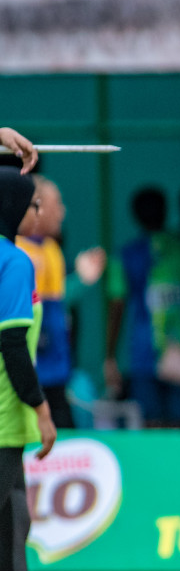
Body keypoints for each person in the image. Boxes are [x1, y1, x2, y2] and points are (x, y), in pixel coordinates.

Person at [0, 166, 92, 571]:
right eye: (32, 204)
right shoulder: (14, 261)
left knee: (14, 527)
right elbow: (14, 343)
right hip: (5, 418)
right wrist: (43, 408)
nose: (40, 212)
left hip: (7, 424)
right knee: (11, 527)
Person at [104, 188, 180, 427]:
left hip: (143, 352)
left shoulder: (125, 256)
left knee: (151, 424)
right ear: (166, 212)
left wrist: (110, 356)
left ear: (134, 216)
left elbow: (117, 307)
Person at [18, 177, 106, 428]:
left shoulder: (52, 251)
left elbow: (56, 304)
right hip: (30, 375)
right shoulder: (17, 251)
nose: (62, 211)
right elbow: (32, 311)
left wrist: (82, 279)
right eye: (57, 204)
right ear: (36, 207)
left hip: (57, 373)